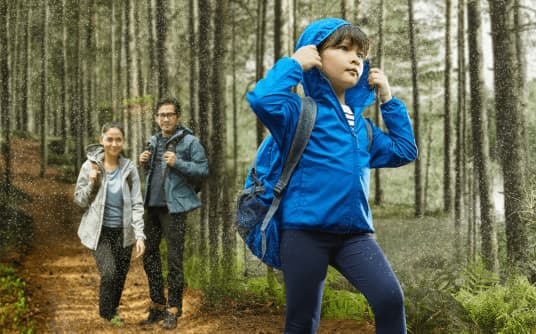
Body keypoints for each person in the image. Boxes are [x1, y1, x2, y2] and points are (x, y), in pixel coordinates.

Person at [247, 18, 418, 334]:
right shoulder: (298, 112)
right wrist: (296, 63)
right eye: (343, 48)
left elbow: (405, 150)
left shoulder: (363, 128)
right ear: (317, 55)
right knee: (303, 321)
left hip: (354, 235)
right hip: (304, 232)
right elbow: (263, 98)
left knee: (390, 300)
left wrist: (389, 100)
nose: (355, 58)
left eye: (361, 54)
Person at [138, 97, 208, 330]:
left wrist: (178, 162)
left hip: (174, 208)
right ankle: (158, 304)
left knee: (175, 259)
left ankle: (174, 308)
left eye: (169, 114)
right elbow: (155, 175)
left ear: (177, 117)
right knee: (148, 255)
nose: (165, 118)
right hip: (152, 207)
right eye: (161, 115)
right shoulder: (153, 141)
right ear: (156, 118)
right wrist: (144, 163)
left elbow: (202, 169)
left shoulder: (189, 142)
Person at [74, 122, 146, 326]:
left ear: (123, 142)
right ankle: (106, 313)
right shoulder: (90, 166)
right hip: (100, 232)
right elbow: (79, 200)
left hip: (124, 232)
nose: (114, 144)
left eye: (118, 139)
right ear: (101, 141)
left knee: (121, 275)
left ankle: (112, 309)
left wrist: (140, 235)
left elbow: (137, 203)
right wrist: (92, 181)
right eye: (109, 139)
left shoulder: (129, 168)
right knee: (109, 272)